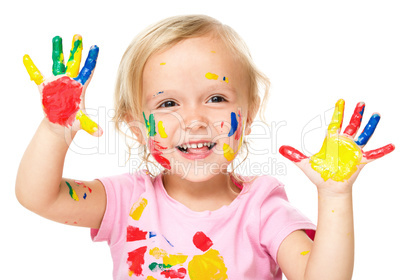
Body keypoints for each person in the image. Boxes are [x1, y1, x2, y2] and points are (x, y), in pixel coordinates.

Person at [16, 15, 395, 280]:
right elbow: (39, 196)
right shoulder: (125, 200)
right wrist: (56, 128)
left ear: (248, 115)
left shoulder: (262, 209)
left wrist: (334, 196)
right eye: (168, 104)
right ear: (135, 126)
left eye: (215, 98)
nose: (194, 119)